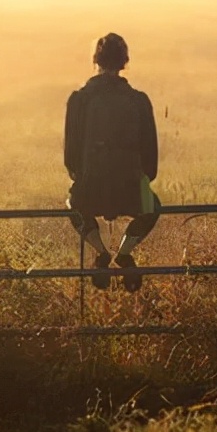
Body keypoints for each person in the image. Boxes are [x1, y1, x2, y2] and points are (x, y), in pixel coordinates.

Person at [64, 33, 160, 292]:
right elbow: (150, 152)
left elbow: (71, 152)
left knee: (74, 206)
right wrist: (143, 179)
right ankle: (125, 253)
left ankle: (102, 253)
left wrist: (80, 177)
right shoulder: (139, 100)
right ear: (124, 62)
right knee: (153, 208)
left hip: (91, 185)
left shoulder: (79, 100)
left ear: (95, 60)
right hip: (129, 186)